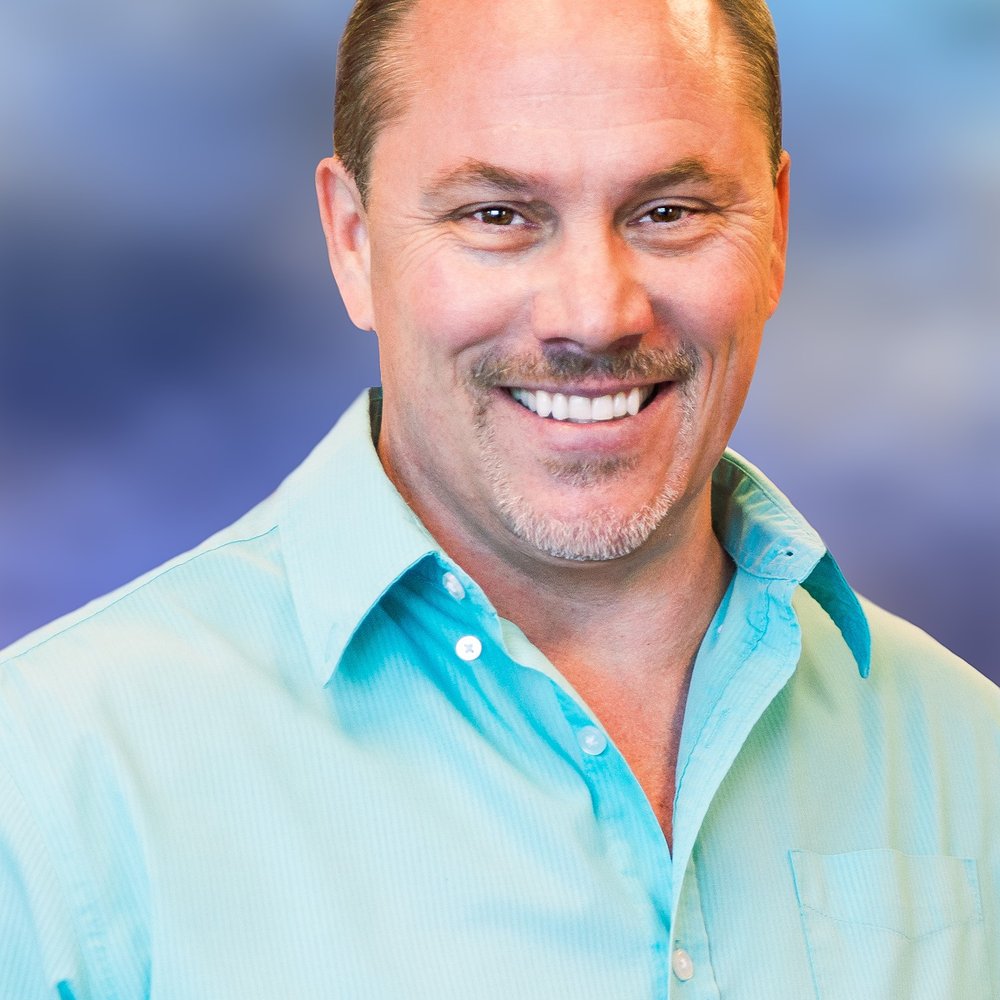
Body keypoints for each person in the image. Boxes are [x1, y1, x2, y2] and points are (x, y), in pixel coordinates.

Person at [1, 0, 996, 996]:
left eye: (669, 211)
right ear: (353, 240)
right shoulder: (55, 783)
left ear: (775, 229)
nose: (594, 314)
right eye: (496, 216)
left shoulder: (971, 756)